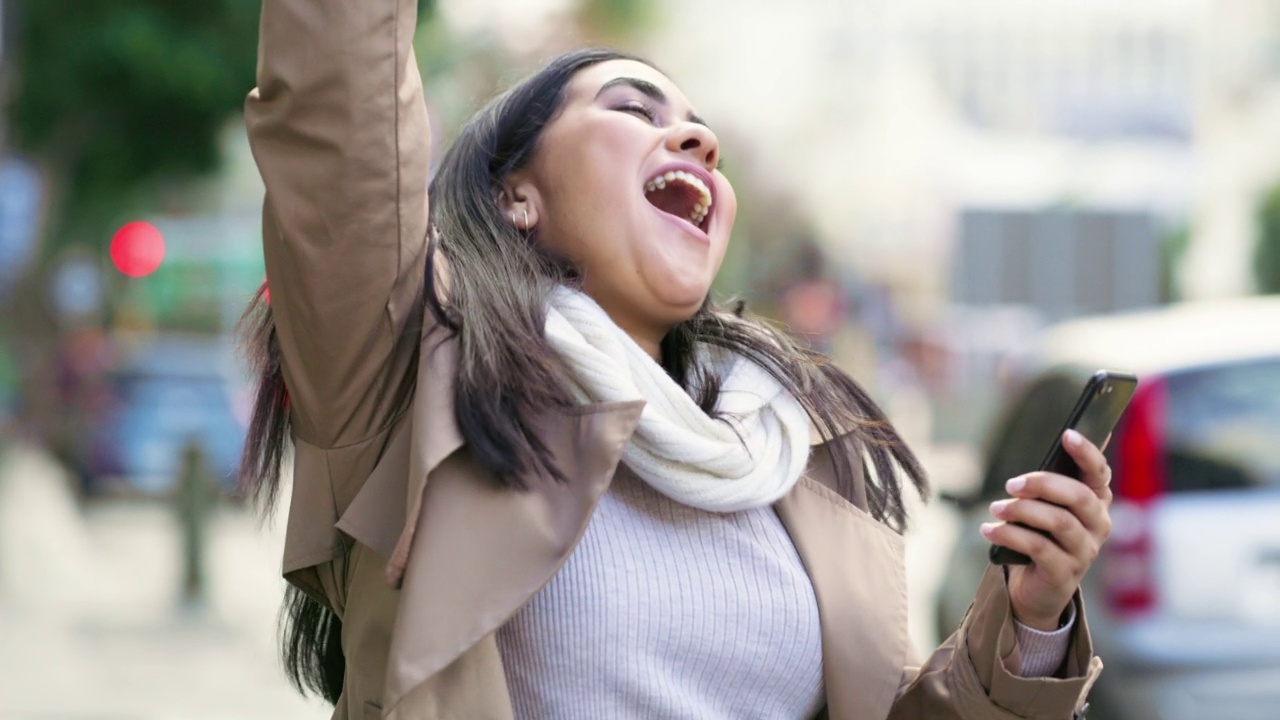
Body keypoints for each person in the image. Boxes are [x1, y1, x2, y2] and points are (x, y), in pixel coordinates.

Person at [238, 1, 1110, 718]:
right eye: (633, 110)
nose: (697, 144)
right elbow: (337, 120)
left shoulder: (792, 445)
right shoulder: (415, 378)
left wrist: (1028, 623)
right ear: (516, 197)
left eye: (701, 132)